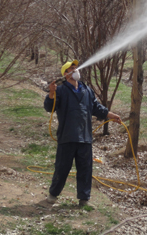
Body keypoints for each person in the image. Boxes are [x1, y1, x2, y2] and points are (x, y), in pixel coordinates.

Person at [43, 59, 121, 207]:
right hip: (67, 136)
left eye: (76, 68)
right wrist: (51, 93)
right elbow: (49, 107)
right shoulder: (60, 90)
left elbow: (97, 108)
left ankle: (84, 200)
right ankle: (53, 196)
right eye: (71, 69)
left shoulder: (87, 90)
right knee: (62, 167)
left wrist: (112, 116)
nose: (76, 70)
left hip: (85, 137)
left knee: (85, 169)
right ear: (65, 74)